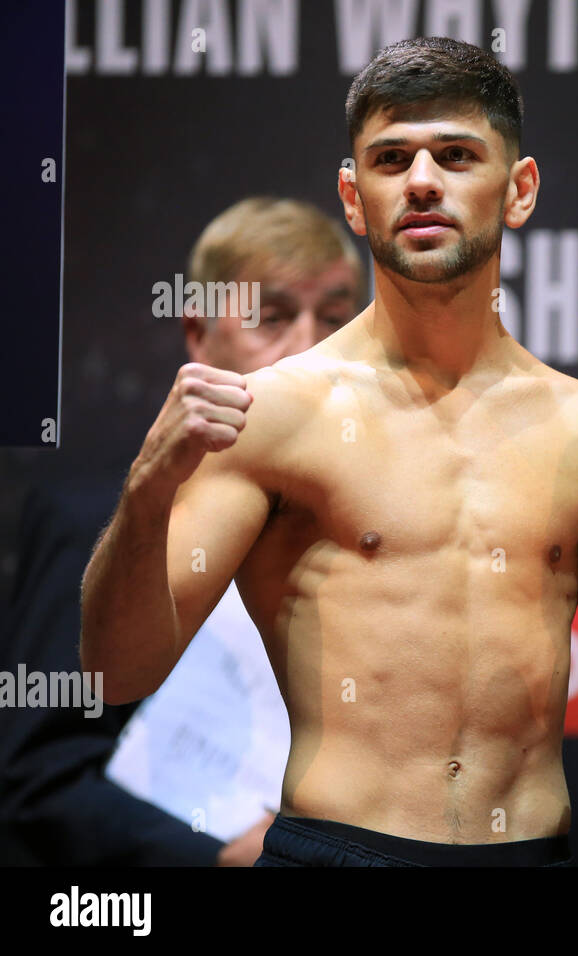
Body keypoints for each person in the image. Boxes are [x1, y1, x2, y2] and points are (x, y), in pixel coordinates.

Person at [80, 36, 578, 867]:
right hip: (335, 851)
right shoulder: (275, 416)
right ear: (354, 197)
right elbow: (115, 673)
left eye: (456, 155)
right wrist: (146, 490)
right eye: (391, 159)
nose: (422, 181)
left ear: (519, 190)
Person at [0, 196, 363, 865]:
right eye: (273, 318)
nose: (310, 347)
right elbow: (39, 780)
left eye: (336, 320)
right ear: (198, 334)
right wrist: (213, 858)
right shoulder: (94, 522)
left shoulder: (373, 527)